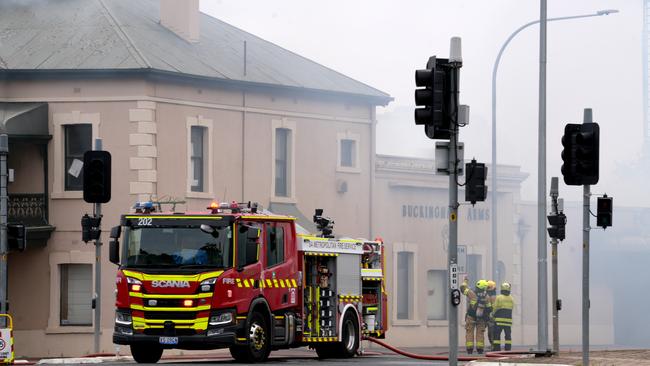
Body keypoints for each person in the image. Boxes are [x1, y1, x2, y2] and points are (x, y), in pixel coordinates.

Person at [460, 278, 490, 354]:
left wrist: (465, 281)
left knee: (469, 332)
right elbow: (489, 308)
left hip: (471, 316)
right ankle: (480, 349)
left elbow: (462, 288)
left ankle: (469, 349)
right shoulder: (486, 296)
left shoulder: (471, 293)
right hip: (481, 318)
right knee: (480, 333)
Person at [491, 282, 514, 351]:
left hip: (499, 321)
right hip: (508, 321)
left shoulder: (499, 297)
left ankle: (497, 348)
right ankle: (508, 348)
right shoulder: (511, 298)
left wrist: (492, 314)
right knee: (508, 336)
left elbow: (495, 307)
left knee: (497, 335)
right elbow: (512, 308)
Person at [486, 280, 497, 348]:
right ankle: (493, 344)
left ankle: (493, 344)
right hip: (491, 315)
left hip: (492, 316)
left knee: (491, 331)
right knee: (491, 331)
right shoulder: (493, 296)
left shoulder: (492, 297)